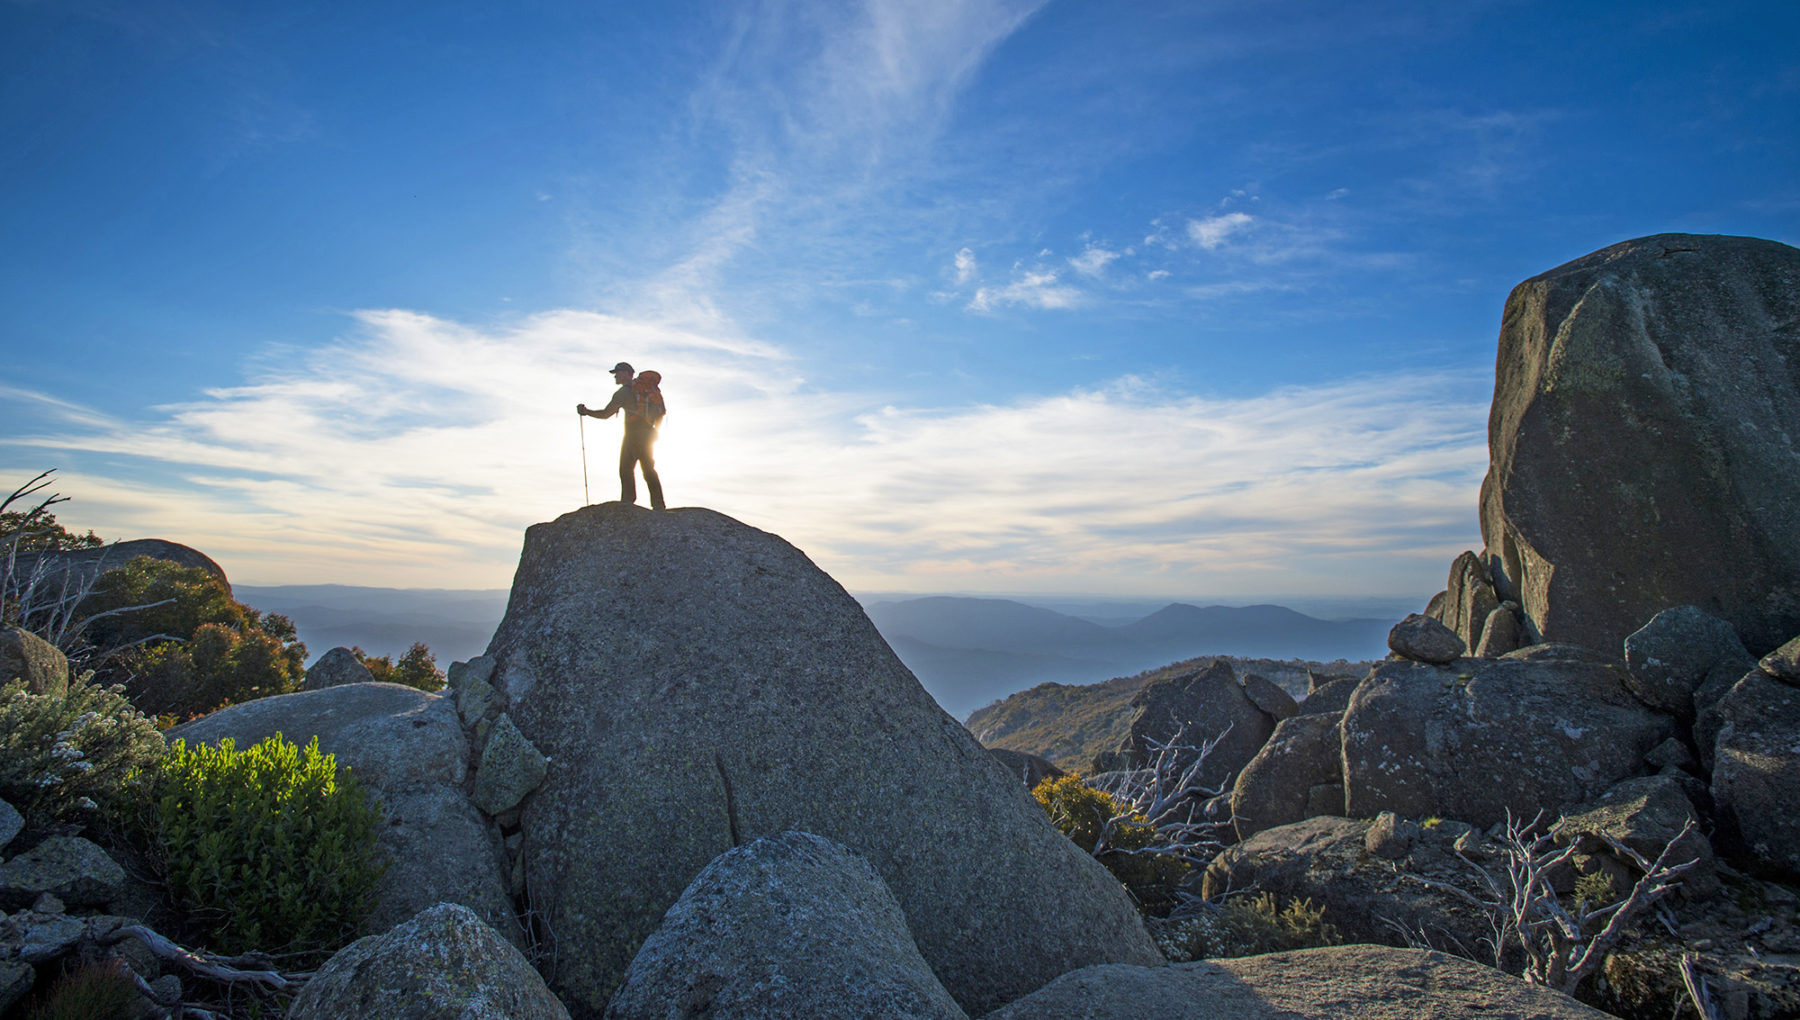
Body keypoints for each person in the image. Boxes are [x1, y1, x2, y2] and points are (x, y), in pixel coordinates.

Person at [577, 362, 666, 510]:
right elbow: (661, 412)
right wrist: (656, 431)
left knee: (625, 468)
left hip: (633, 435)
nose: (615, 377)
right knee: (649, 469)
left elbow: (606, 414)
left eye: (617, 373)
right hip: (649, 434)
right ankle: (658, 504)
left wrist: (587, 412)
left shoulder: (624, 392)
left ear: (626, 373)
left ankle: (627, 502)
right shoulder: (647, 390)